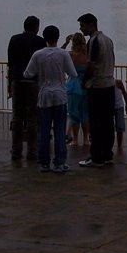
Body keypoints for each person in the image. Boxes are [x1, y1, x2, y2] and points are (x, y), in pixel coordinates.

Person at [23, 24, 77, 172]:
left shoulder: (38, 55)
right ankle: (60, 162)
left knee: (44, 130)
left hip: (44, 96)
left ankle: (44, 162)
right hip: (60, 95)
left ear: (44, 37)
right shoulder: (63, 54)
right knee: (60, 130)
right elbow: (73, 73)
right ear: (58, 37)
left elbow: (28, 73)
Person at [77, 12, 116, 168]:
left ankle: (96, 157)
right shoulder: (108, 40)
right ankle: (107, 154)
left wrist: (84, 81)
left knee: (96, 122)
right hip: (109, 85)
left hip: (97, 86)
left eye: (82, 26)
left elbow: (91, 65)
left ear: (91, 24)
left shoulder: (93, 41)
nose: (81, 30)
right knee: (107, 122)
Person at [7, 16, 45, 161]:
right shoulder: (40, 41)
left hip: (17, 81)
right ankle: (32, 151)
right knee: (32, 117)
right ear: (36, 27)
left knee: (17, 117)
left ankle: (16, 151)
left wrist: (10, 85)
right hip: (32, 82)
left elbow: (10, 63)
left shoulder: (14, 39)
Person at [63, 32, 89, 147]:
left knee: (74, 113)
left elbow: (59, 53)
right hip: (86, 84)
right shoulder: (87, 54)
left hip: (74, 85)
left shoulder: (71, 54)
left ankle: (75, 139)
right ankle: (86, 139)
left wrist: (65, 42)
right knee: (85, 113)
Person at [114, 78, 127, 150]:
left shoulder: (118, 82)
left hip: (119, 106)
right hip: (111, 107)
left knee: (120, 127)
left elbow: (124, 93)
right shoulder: (107, 83)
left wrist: (126, 104)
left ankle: (119, 146)